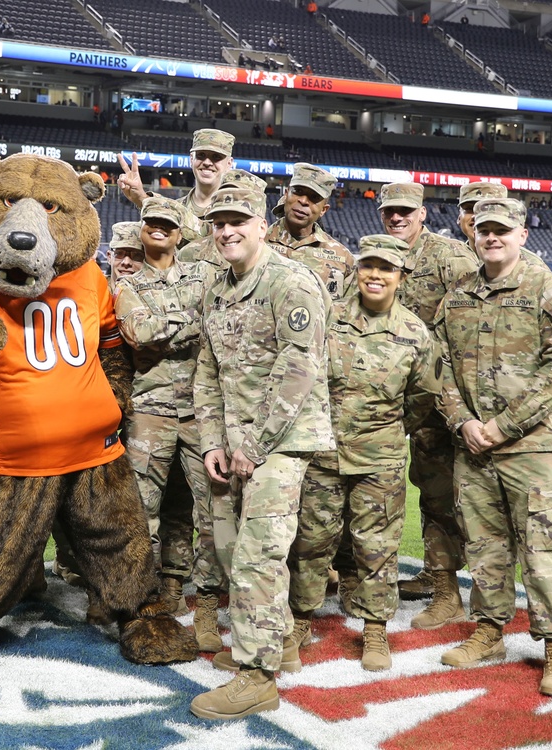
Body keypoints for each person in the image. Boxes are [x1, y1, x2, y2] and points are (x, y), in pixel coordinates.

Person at [190, 187, 332, 719]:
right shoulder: (218, 287)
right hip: (231, 446)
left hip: (279, 444)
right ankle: (277, 643)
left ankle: (258, 676)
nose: (226, 231)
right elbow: (208, 370)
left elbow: (298, 372)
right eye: (218, 222)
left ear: (261, 223)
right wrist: (212, 442)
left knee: (258, 555)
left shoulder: (291, 282)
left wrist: (253, 444)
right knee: (229, 548)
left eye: (238, 221)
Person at [436, 198, 552, 698]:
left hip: (532, 449)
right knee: (485, 547)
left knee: (545, 551)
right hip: (474, 448)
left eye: (502, 230)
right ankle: (490, 631)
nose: (492, 237)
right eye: (484, 229)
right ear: (474, 235)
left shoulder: (550, 292)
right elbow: (440, 368)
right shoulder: (457, 293)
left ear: (522, 235)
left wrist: (502, 426)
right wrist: (463, 422)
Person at [285, 235, 439, 672]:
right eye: (368, 265)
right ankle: (300, 618)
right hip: (324, 453)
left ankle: (374, 628)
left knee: (377, 547)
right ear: (357, 270)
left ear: (401, 276)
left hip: (381, 457)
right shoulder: (327, 318)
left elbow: (422, 396)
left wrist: (388, 431)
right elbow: (304, 376)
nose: (375, 274)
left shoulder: (414, 332)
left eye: (386, 268)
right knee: (312, 542)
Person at [114, 196, 222, 647]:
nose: (158, 230)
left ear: (181, 233)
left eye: (167, 225)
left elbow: (221, 322)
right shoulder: (127, 285)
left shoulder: (206, 273)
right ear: (142, 231)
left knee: (215, 509)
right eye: (151, 224)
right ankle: (145, 599)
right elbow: (138, 333)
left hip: (203, 411)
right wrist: (189, 320)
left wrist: (165, 325)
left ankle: (210, 605)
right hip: (151, 411)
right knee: (141, 510)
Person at [377, 181, 469, 628]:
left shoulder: (450, 258)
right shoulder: (379, 256)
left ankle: (450, 593)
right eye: (389, 211)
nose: (396, 218)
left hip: (443, 401)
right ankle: (436, 576)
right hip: (401, 398)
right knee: (422, 491)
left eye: (405, 211)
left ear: (422, 213)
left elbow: (471, 323)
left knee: (446, 495)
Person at [118, 128, 235, 242]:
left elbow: (211, 238)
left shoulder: (236, 211)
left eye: (216, 157)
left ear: (229, 164)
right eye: (201, 155)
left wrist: (144, 199)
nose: (207, 163)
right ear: (191, 159)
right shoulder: (174, 208)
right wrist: (141, 198)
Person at [266, 162, 356, 300]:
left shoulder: (344, 259)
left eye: (314, 197)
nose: (303, 201)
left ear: (323, 210)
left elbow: (350, 314)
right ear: (286, 194)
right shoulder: (256, 244)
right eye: (298, 191)